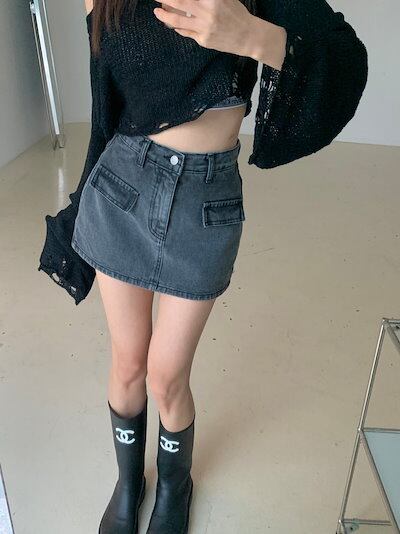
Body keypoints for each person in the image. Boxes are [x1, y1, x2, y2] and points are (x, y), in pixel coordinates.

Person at [37, 1, 368, 532]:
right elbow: (106, 109)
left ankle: (175, 483)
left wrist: (252, 36)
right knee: (128, 364)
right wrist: (81, 205)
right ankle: (128, 483)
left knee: (168, 375)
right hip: (121, 189)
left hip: (205, 203)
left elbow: (344, 61)